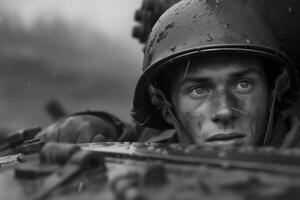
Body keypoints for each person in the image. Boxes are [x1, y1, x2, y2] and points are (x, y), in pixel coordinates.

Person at [36, 0, 300, 147]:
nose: (224, 111)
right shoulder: (162, 140)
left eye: (243, 84)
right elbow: (137, 137)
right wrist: (97, 124)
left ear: (274, 91)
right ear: (165, 109)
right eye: (199, 90)